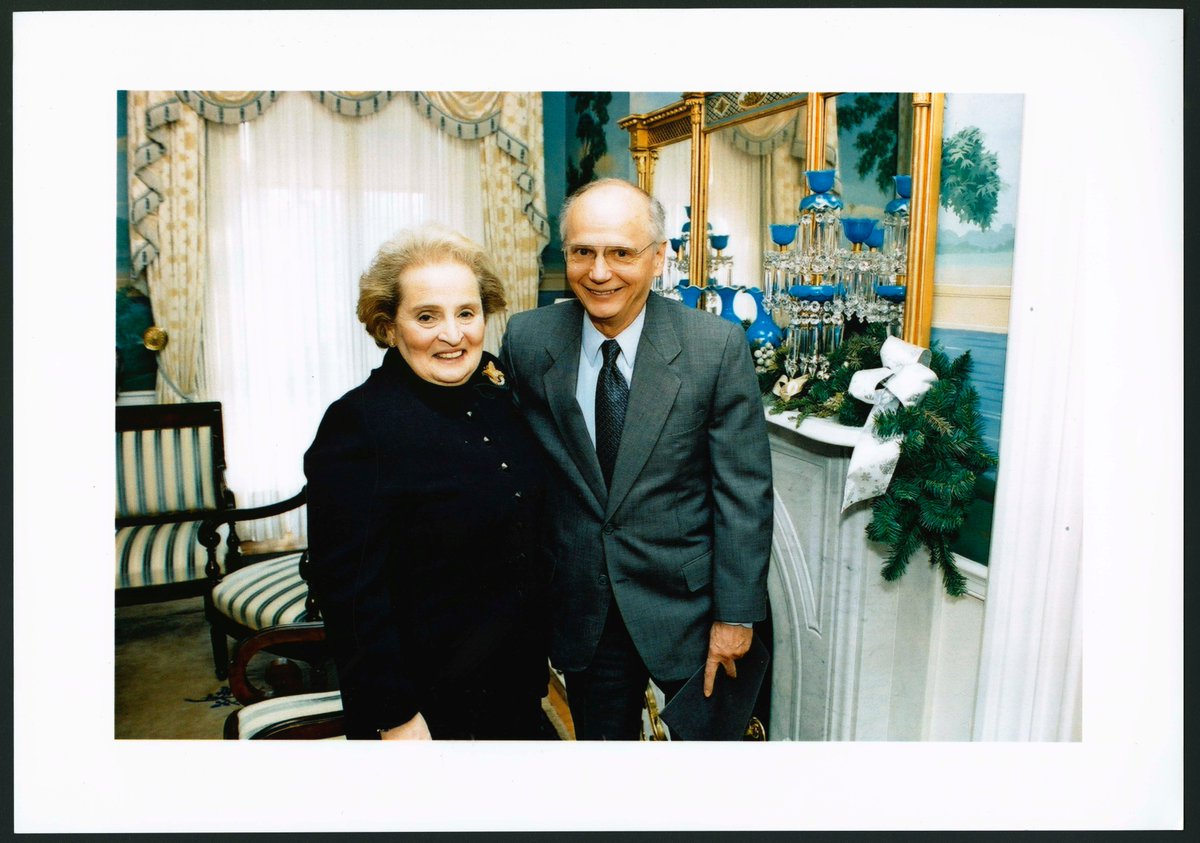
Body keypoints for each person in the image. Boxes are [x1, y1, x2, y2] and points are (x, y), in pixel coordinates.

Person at [499, 178, 774, 740]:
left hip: (690, 611)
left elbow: (743, 493)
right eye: (583, 252)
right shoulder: (527, 340)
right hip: (582, 606)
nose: (600, 273)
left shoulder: (715, 348)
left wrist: (735, 616)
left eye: (621, 253)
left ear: (657, 258)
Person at [304, 225, 550, 740]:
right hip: (424, 708)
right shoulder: (359, 424)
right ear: (388, 327)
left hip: (514, 686)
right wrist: (394, 716)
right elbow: (350, 595)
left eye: (466, 312)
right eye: (426, 317)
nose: (453, 335)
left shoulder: (497, 395)